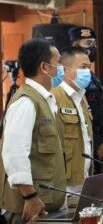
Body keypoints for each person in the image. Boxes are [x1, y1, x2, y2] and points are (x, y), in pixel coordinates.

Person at [0, 38, 66, 223]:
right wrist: (30, 196)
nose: (62, 68)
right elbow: (14, 153)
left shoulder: (45, 99)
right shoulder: (26, 102)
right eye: (58, 62)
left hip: (45, 205)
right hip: (29, 209)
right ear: (44, 67)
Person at [51, 46, 93, 196]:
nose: (88, 71)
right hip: (65, 186)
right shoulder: (54, 97)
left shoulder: (82, 98)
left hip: (85, 180)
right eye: (83, 67)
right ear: (65, 69)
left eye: (89, 67)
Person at [69, 26, 103, 174]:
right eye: (88, 43)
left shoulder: (92, 76)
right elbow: (85, 115)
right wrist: (99, 142)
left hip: (99, 142)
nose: (92, 48)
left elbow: (101, 112)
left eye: (94, 43)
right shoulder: (75, 79)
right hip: (86, 143)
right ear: (75, 46)